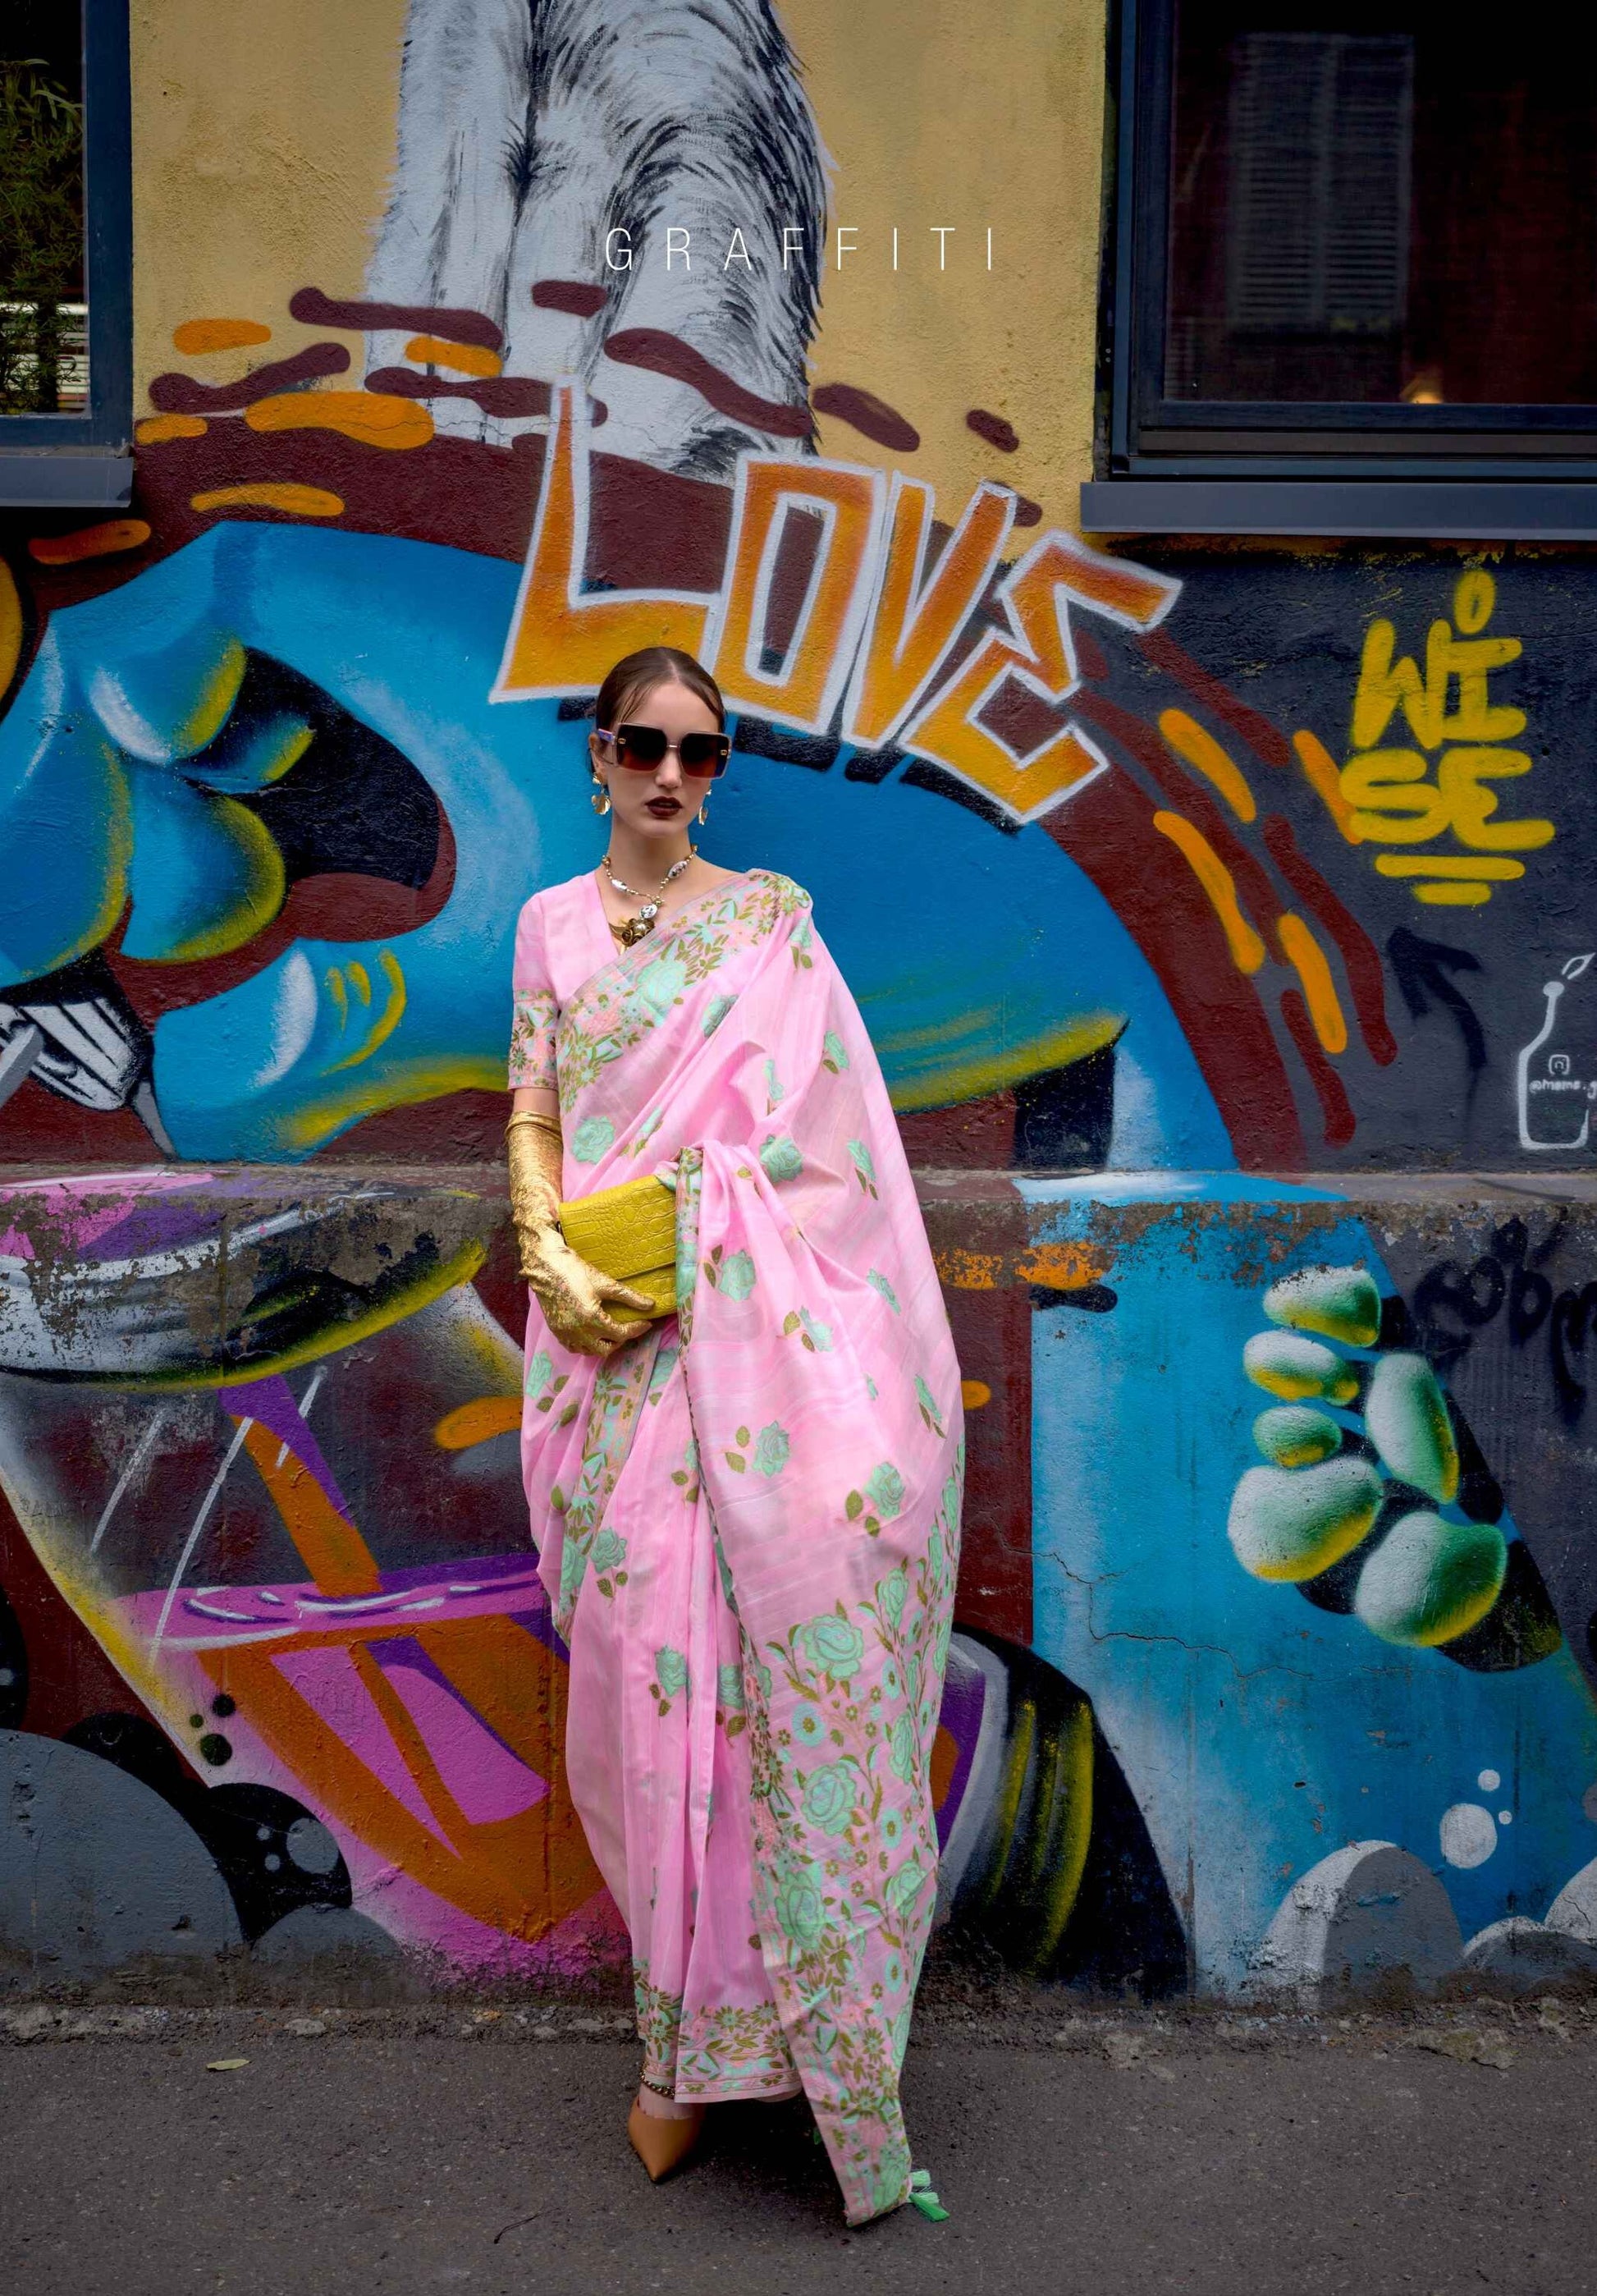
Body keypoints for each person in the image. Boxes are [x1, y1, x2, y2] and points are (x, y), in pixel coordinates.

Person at [505, 645, 963, 2227]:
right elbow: (537, 1106)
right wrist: (547, 1252)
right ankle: (673, 2036)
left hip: (751, 1370)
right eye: (643, 745)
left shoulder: (770, 932)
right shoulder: (551, 928)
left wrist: (708, 1228)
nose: (671, 776)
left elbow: (830, 1167)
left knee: (758, 1703)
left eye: (701, 753)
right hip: (606, 1366)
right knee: (641, 1698)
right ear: (598, 759)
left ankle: (763, 2042)